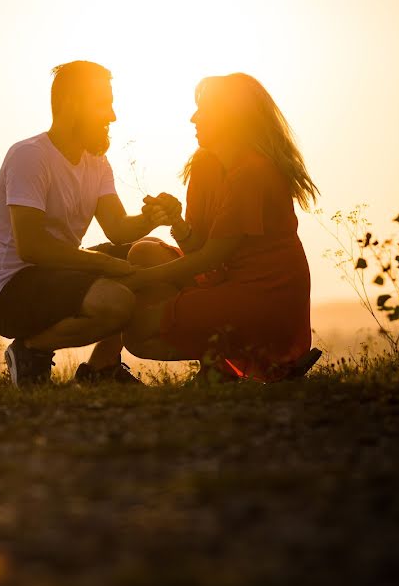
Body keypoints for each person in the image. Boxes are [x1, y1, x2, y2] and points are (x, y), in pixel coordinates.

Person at [0, 61, 178, 388]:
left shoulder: (96, 161)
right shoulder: (30, 156)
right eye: (104, 104)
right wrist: (103, 264)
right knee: (118, 300)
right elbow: (32, 247)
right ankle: (30, 351)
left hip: (57, 272)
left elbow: (116, 228)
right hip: (9, 289)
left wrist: (151, 219)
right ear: (73, 104)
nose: (112, 116)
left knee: (151, 253)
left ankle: (102, 369)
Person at [118, 73, 321, 382]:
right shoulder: (206, 167)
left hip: (263, 297)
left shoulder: (252, 173)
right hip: (228, 280)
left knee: (137, 334)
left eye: (204, 110)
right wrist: (176, 222)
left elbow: (210, 257)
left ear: (229, 118)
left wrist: (135, 281)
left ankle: (232, 365)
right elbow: (199, 249)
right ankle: (220, 365)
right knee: (144, 251)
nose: (193, 118)